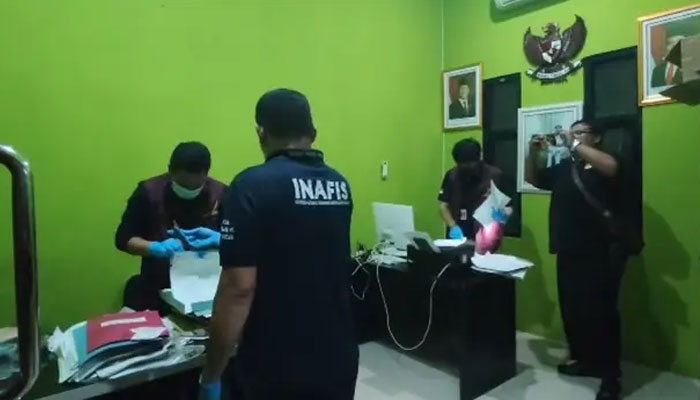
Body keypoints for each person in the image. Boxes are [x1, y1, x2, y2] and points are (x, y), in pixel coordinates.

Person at [199, 89, 358, 400]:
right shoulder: (339, 183)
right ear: (313, 133)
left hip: (276, 363)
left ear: (261, 132)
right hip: (338, 352)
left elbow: (239, 288)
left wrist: (211, 374)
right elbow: (304, 244)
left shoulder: (251, 185)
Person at [526, 120, 627, 400]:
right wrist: (532, 151)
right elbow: (533, 178)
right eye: (573, 133)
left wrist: (572, 142)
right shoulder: (567, 168)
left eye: (580, 132)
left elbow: (612, 168)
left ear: (597, 137)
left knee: (602, 315)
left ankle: (611, 378)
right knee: (573, 312)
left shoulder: (608, 161)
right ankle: (585, 361)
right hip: (568, 250)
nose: (574, 136)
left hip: (601, 252)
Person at [115, 142, 226, 312]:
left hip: (207, 290)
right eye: (182, 185)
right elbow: (123, 238)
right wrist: (154, 248)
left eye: (195, 186)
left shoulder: (222, 195)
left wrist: (221, 242)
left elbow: (239, 241)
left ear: (206, 174)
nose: (188, 190)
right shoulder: (149, 192)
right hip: (157, 288)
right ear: (170, 171)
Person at [438, 138, 502, 240]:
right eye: (461, 164)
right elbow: (443, 204)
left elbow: (507, 208)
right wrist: (452, 225)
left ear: (478, 159)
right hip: (458, 232)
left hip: (485, 234)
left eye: (468, 164)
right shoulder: (452, 175)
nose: (464, 167)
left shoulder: (494, 176)